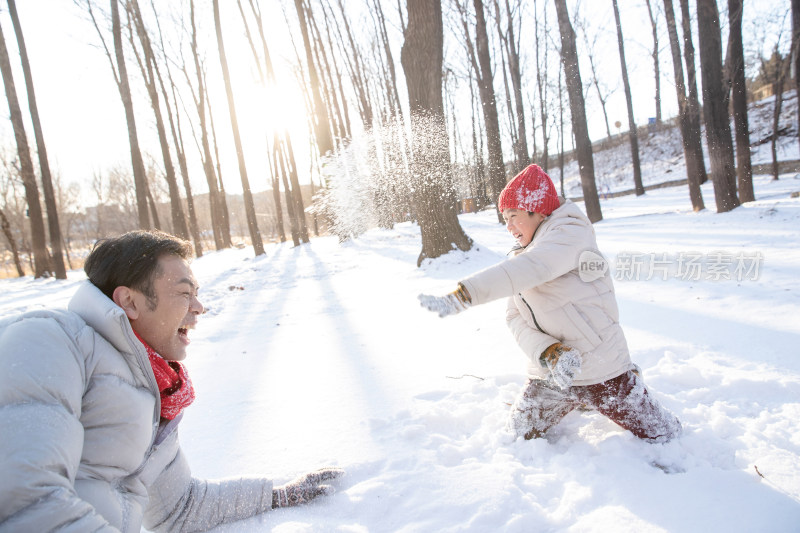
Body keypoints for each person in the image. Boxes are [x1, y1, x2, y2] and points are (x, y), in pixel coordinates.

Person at [0, 230, 342, 532]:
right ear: (130, 301)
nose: (199, 307)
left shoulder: (153, 390)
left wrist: (275, 495)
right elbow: (25, 500)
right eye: (183, 293)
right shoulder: (48, 340)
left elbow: (180, 509)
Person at [419, 164, 681, 443]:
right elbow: (514, 318)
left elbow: (536, 267)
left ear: (537, 211)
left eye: (513, 216)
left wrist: (466, 294)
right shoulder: (521, 257)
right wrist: (550, 352)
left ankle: (627, 382)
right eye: (504, 218)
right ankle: (575, 390)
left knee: (663, 434)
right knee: (519, 435)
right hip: (553, 374)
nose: (508, 226)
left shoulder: (569, 234)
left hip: (599, 369)